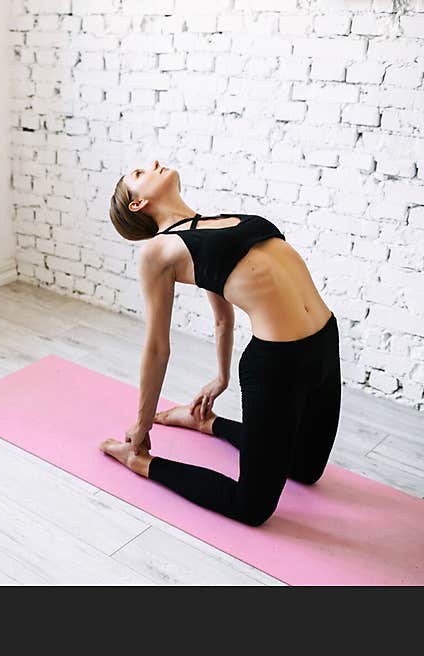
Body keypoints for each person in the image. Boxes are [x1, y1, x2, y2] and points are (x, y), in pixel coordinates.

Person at [99, 159, 342, 527]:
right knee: (252, 508)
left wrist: (221, 378)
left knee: (307, 470)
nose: (152, 165)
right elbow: (157, 347)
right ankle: (142, 463)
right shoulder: (158, 252)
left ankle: (205, 423)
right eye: (138, 174)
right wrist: (143, 424)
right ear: (137, 204)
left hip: (325, 341)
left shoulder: (212, 222)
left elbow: (222, 318)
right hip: (278, 365)